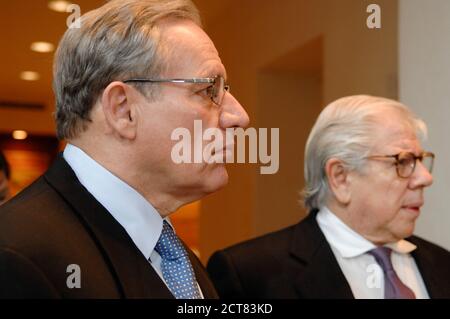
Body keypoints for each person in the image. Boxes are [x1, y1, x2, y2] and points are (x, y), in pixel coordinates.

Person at [0, 0, 248, 298]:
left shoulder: (174, 255)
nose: (239, 117)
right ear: (123, 110)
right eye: (209, 90)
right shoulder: (17, 257)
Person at [207, 95, 450, 299]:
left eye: (420, 160)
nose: (425, 177)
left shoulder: (442, 264)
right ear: (340, 177)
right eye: (403, 161)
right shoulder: (250, 274)